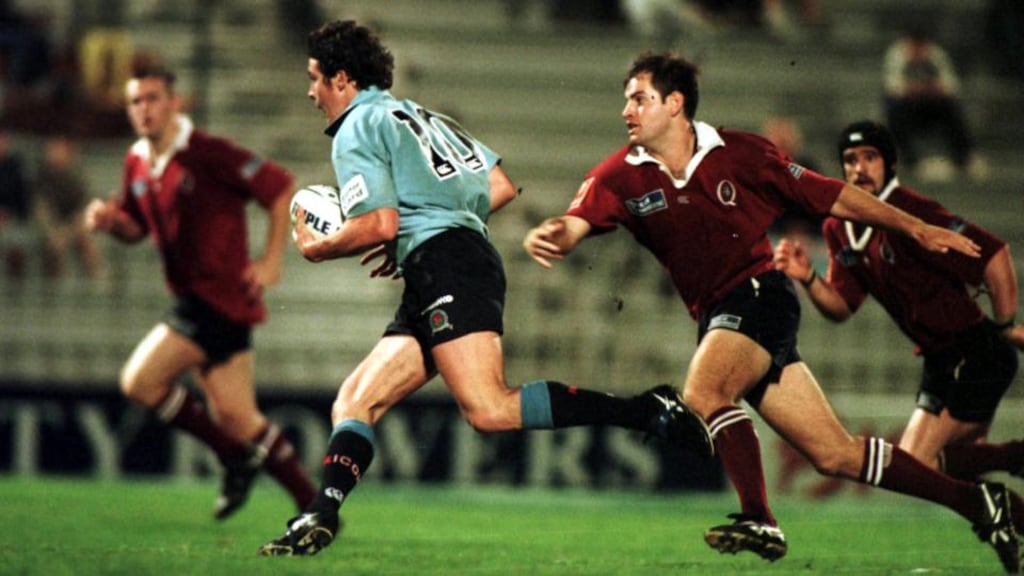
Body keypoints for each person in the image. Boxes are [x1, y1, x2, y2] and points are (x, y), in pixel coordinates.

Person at [523, 52, 1020, 572]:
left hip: (759, 294)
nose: (627, 109)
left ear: (674, 104)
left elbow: (834, 197)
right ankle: (977, 503)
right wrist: (559, 232)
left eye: (639, 98)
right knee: (836, 455)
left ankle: (759, 516)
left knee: (704, 392)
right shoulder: (618, 176)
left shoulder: (741, 154)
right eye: (626, 98)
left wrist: (913, 227)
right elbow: (576, 222)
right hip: (719, 313)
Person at [258, 20, 712, 557]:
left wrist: (320, 247)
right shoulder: (423, 115)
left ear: (341, 78)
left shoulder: (358, 127)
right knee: (356, 399)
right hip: (446, 264)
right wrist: (418, 229)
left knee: (489, 409)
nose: (310, 93)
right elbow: (498, 186)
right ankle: (321, 512)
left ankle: (646, 410)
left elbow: (377, 223)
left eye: (314, 79)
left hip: (447, 266)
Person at [84, 64, 316, 521]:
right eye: (136, 101)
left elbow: (280, 186)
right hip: (202, 299)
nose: (144, 109)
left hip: (219, 296)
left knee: (140, 381)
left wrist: (271, 261)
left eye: (153, 99)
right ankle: (314, 505)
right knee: (238, 417)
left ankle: (233, 458)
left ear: (175, 103)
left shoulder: (207, 153)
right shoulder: (136, 162)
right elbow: (136, 228)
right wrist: (114, 225)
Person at [773, 119, 1024, 494]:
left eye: (870, 157)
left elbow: (995, 256)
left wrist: (1005, 324)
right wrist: (809, 277)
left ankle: (1014, 461)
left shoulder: (910, 211)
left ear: (889, 164)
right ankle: (1005, 508)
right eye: (850, 159)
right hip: (940, 361)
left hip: (976, 353)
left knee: (916, 465)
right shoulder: (839, 228)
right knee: (933, 467)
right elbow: (841, 306)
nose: (859, 168)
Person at [883, 28, 984, 182]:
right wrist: (922, 89)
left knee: (952, 108)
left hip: (932, 107)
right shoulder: (897, 54)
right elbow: (894, 88)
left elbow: (951, 86)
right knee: (893, 109)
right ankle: (908, 159)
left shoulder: (936, 55)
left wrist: (923, 90)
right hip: (908, 108)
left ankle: (964, 157)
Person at [33, 135, 106, 284]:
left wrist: (65, 234)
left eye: (58, 148)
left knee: (86, 241)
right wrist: (53, 232)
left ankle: (99, 282)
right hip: (52, 227)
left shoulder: (76, 178)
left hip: (72, 226)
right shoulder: (42, 175)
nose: (53, 152)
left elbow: (83, 211)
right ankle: (52, 288)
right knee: (51, 245)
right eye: (52, 147)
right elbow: (41, 209)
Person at [0, 128, 31, 280]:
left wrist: (8, 215)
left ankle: (15, 290)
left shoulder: (16, 165)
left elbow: (22, 198)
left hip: (15, 220)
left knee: (16, 248)